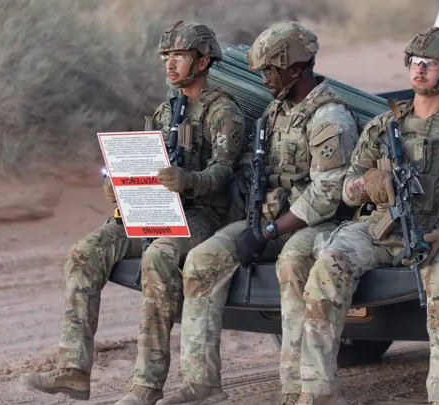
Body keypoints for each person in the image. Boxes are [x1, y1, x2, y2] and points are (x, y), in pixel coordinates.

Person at [19, 20, 245, 405]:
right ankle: (74, 370)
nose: (169, 64)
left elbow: (226, 169)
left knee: (159, 258)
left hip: (202, 216)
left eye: (179, 56)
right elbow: (147, 165)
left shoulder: (223, 111)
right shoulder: (165, 112)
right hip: (155, 209)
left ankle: (146, 385)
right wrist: (121, 188)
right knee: (84, 253)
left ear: (203, 61)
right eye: (166, 57)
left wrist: (189, 180)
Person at [286, 27, 439, 405]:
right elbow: (347, 189)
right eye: (415, 63)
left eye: (429, 65)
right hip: (381, 226)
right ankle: (317, 389)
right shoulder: (385, 125)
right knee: (328, 264)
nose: (418, 71)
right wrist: (369, 182)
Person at [155, 21, 360, 405]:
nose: (264, 78)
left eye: (271, 70)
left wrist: (267, 231)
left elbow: (326, 194)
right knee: (201, 261)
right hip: (265, 220)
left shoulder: (329, 117)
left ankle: (300, 389)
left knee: (293, 264)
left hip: (313, 223)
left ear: (296, 69)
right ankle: (202, 383)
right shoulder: (275, 113)